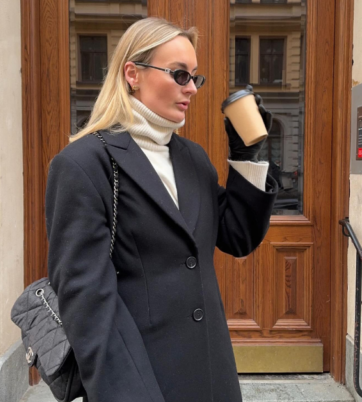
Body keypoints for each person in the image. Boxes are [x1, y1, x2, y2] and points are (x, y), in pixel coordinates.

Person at [45, 18, 276, 401]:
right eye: (180, 74)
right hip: (141, 379)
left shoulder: (193, 158)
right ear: (132, 74)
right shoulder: (83, 164)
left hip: (211, 375)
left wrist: (246, 158)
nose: (192, 88)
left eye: (195, 77)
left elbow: (238, 236)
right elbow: (87, 303)